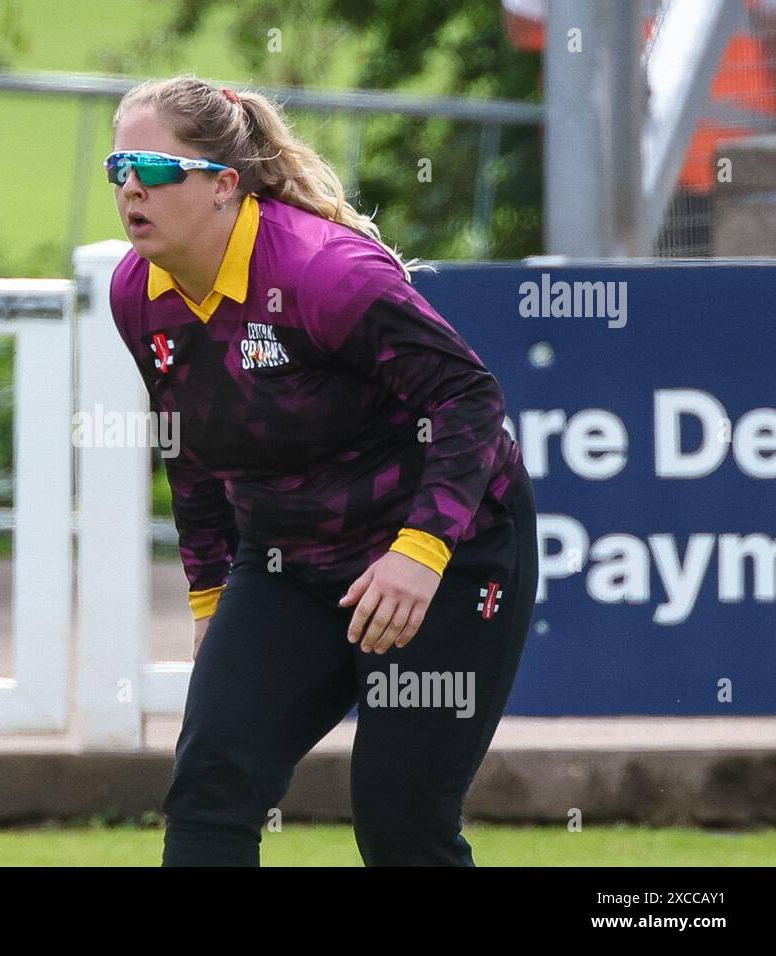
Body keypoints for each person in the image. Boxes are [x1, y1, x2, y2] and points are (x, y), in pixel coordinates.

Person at [105, 75, 539, 866]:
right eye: (118, 168)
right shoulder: (138, 292)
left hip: (447, 557)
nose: (132, 187)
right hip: (285, 561)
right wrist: (209, 599)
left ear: (222, 186)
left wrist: (419, 553)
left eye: (156, 168)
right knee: (209, 786)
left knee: (400, 822)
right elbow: (190, 451)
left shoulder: (322, 273)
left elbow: (470, 398)